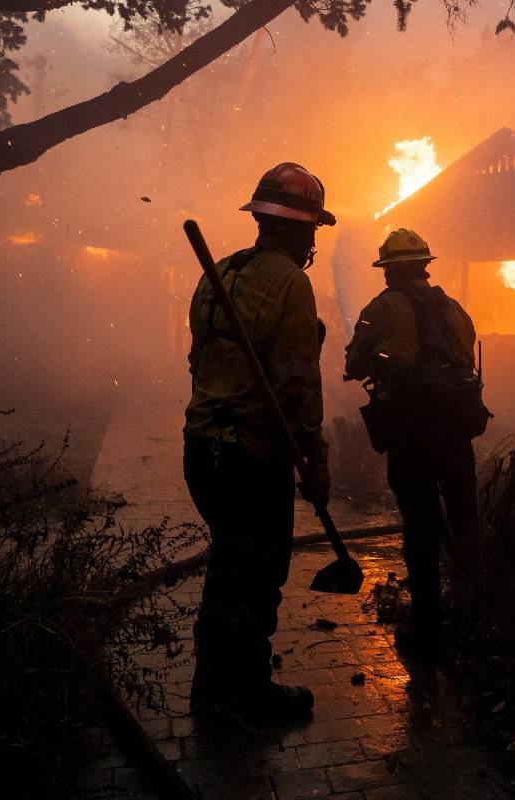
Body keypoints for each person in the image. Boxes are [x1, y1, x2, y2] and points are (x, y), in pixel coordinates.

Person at [184, 162, 334, 720]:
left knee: (229, 567)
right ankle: (241, 695)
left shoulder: (218, 273)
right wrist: (315, 463)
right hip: (250, 454)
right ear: (300, 228)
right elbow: (295, 387)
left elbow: (201, 362)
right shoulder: (292, 282)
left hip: (202, 448)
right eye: (314, 229)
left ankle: (213, 688)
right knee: (254, 578)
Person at [344, 228, 489, 659]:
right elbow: (464, 355)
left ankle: (427, 628)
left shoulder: (380, 309)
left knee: (420, 526)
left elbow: (353, 364)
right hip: (457, 429)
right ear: (426, 266)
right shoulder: (454, 309)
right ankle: (476, 611)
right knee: (465, 517)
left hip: (411, 432)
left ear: (389, 271)